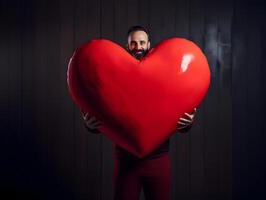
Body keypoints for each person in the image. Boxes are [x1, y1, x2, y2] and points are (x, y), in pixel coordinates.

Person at [82, 25, 197, 200]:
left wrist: (187, 124)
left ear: (149, 45)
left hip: (158, 162)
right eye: (133, 43)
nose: (138, 47)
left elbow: (173, 110)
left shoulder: (163, 76)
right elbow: (105, 107)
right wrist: (90, 126)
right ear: (127, 46)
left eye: (142, 42)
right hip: (126, 163)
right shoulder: (115, 76)